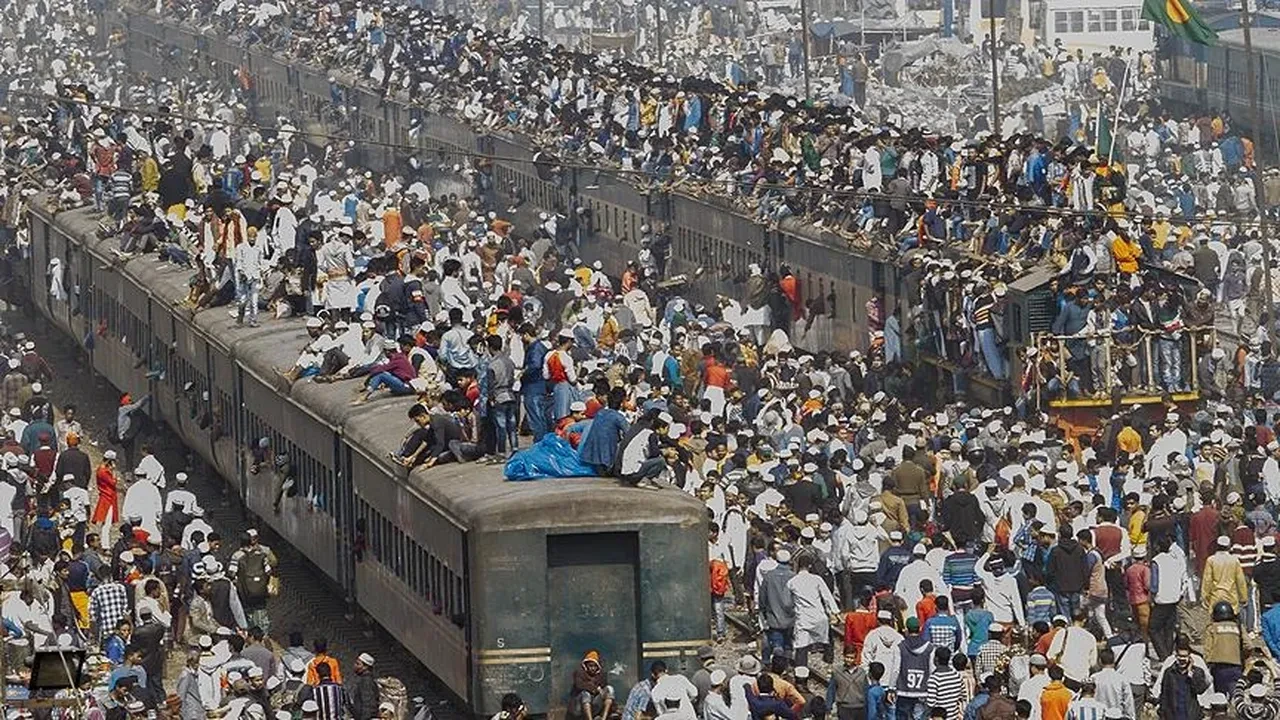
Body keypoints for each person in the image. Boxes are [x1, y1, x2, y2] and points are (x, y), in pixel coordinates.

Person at [1157, 640, 1210, 720]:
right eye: (1180, 656)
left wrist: (1191, 675)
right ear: (1176, 656)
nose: (1182, 659)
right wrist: (1162, 714)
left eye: (1185, 656)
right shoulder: (1169, 672)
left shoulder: (1197, 672)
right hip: (1173, 715)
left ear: (1189, 657)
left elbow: (1200, 690)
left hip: (1190, 715)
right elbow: (1164, 695)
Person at [571, 650, 615, 720]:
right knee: (586, 694)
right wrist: (595, 688)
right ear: (586, 665)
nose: (593, 668)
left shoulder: (601, 674)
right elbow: (579, 685)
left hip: (595, 703)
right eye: (590, 666)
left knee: (609, 689)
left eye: (595, 666)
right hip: (580, 706)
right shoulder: (579, 673)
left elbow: (604, 685)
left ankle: (604, 717)